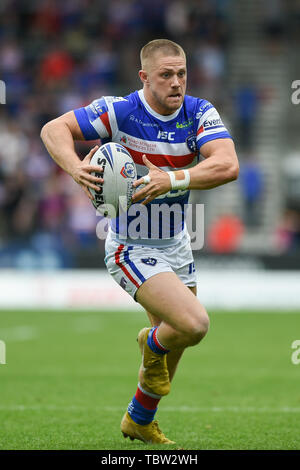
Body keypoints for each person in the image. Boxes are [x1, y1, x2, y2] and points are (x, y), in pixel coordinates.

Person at [40, 39, 239, 445]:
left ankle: (139, 419)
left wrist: (174, 177)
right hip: (131, 246)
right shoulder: (120, 110)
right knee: (193, 324)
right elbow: (53, 128)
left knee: (175, 345)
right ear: (144, 78)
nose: (177, 82)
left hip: (177, 243)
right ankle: (149, 342)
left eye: (182, 73)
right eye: (166, 74)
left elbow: (228, 164)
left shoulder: (199, 112)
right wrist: (75, 168)